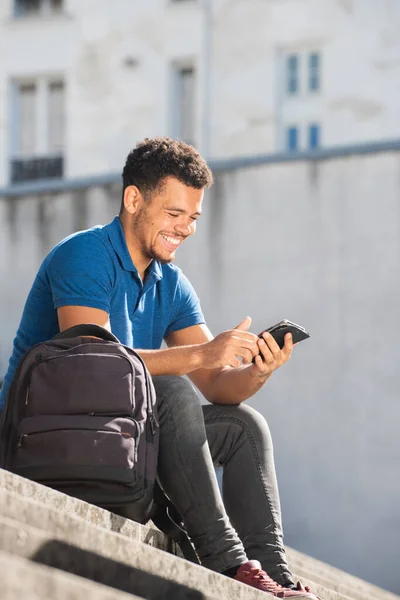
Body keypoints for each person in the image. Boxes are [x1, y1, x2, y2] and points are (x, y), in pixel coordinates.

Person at [0, 137, 318, 598]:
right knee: (170, 391)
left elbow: (216, 385)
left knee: (242, 425)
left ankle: (276, 577)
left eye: (193, 217)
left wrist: (257, 371)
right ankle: (228, 560)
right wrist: (203, 356)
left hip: (120, 437)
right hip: (43, 438)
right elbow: (93, 366)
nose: (185, 229)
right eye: (174, 214)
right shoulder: (85, 254)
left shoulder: (172, 284)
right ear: (134, 199)